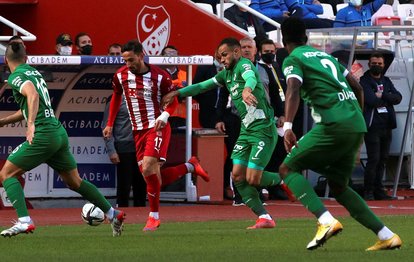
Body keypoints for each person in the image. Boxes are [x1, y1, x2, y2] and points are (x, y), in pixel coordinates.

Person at [279, 17, 401, 251]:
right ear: (306, 37)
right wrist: (356, 116)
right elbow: (356, 86)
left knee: (287, 168)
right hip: (356, 123)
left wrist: (288, 127)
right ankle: (386, 235)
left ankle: (325, 221)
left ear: (284, 41)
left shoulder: (293, 59)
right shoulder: (327, 57)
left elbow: (293, 88)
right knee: (339, 186)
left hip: (333, 124)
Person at [162, 37, 294, 229]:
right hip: (246, 131)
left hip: (263, 130)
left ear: (236, 52)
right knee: (238, 177)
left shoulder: (245, 65)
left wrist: (247, 90)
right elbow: (202, 86)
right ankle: (264, 217)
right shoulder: (226, 74)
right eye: (219, 57)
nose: (222, 60)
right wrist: (178, 93)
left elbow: (250, 77)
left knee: (253, 178)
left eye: (224, 55)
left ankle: (285, 178)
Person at [0, 42, 125, 237]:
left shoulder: (15, 76)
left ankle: (25, 221)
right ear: (26, 59)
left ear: (6, 61)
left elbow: (32, 95)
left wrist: (31, 124)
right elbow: (31, 102)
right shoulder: (33, 71)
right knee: (75, 182)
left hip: (43, 134)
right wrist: (5, 121)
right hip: (58, 132)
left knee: (7, 174)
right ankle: (112, 213)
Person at [102, 40, 210, 232]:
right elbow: (117, 96)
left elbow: (173, 100)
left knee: (149, 167)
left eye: (132, 60)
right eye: (125, 61)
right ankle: (190, 166)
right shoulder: (120, 75)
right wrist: (110, 123)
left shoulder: (161, 77)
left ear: (142, 55)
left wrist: (165, 115)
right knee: (151, 177)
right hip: (137, 131)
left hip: (157, 126)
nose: (129, 64)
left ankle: (154, 217)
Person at [360, 52, 402, 201]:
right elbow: (371, 101)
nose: (377, 66)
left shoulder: (386, 80)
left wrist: (383, 96)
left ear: (384, 65)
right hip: (372, 127)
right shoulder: (364, 81)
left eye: (379, 64)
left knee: (383, 159)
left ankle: (379, 191)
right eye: (374, 63)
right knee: (374, 159)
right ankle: (368, 192)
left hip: (387, 126)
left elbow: (398, 97)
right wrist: (387, 98)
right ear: (369, 64)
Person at [102, 95, 147, 207]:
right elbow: (106, 126)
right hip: (123, 147)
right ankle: (122, 214)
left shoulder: (143, 98)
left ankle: (140, 216)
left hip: (142, 147)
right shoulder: (115, 100)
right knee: (124, 185)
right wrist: (111, 150)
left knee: (141, 184)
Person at [160, 45, 188, 128]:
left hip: (182, 118)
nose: (172, 57)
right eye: (168, 54)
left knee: (181, 140)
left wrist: (173, 92)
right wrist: (179, 91)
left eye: (174, 55)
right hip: (163, 115)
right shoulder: (158, 74)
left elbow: (188, 93)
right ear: (162, 57)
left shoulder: (186, 75)